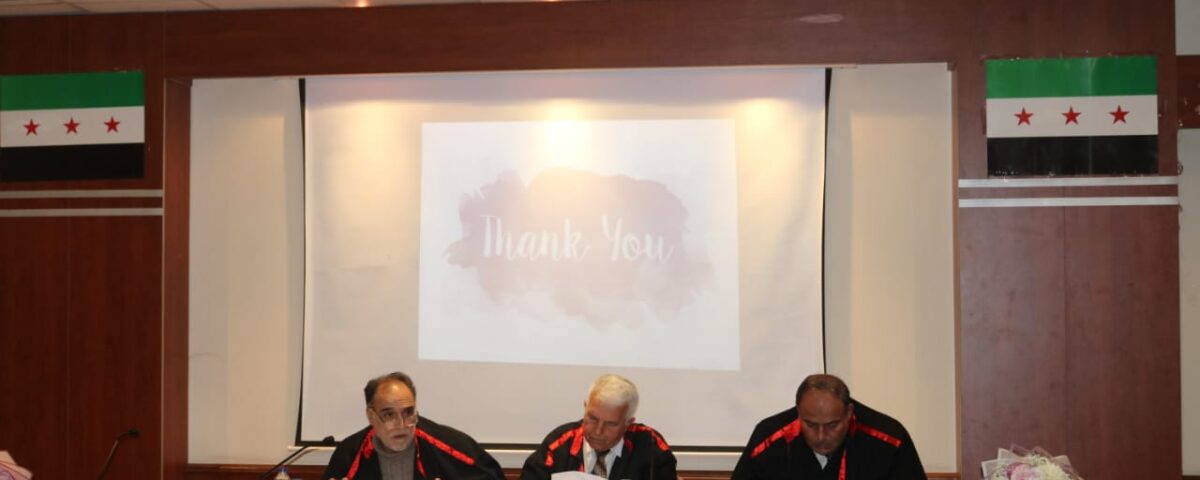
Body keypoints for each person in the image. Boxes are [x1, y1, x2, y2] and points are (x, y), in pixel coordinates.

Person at [731, 374, 927, 480]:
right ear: (798, 412)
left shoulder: (888, 442)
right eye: (810, 425)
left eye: (832, 425)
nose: (821, 436)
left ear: (849, 413)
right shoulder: (768, 442)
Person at [323, 372, 505, 480]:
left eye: (408, 413)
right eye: (389, 415)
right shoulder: (349, 455)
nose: (402, 424)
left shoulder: (451, 447)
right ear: (371, 416)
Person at [520, 374, 677, 480]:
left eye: (610, 424)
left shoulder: (650, 446)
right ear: (585, 407)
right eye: (592, 418)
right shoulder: (559, 444)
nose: (598, 431)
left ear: (628, 423)